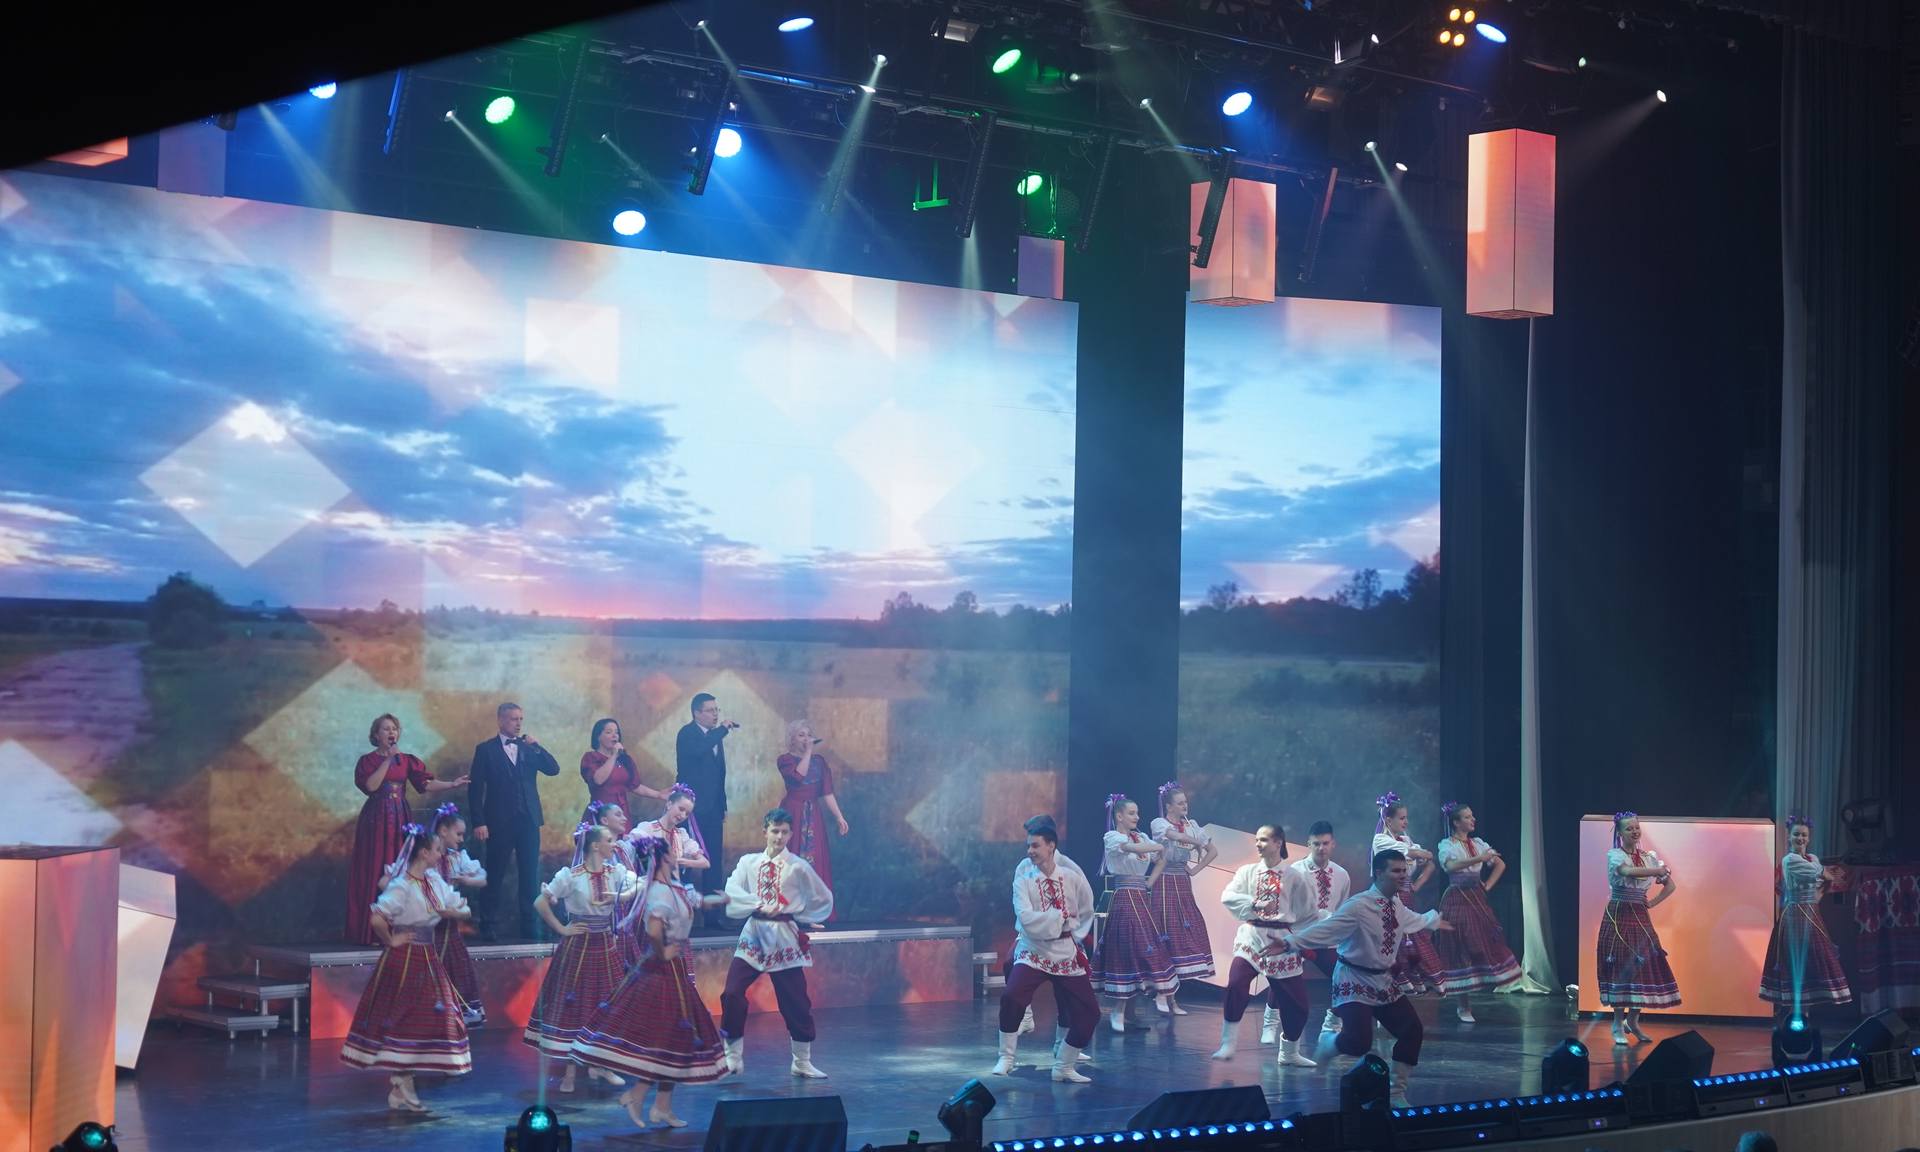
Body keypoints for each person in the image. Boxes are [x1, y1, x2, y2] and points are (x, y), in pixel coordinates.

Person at [572, 834, 730, 1129]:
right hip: (661, 971)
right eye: (673, 852)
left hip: (675, 969)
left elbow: (697, 901)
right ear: (665, 857)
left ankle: (659, 1105)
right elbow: (655, 931)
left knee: (676, 1037)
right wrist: (664, 951)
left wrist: (720, 900)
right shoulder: (658, 892)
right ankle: (640, 1096)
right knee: (668, 1036)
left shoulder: (675, 888)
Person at [1279, 849, 1454, 1108]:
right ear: (1379, 872)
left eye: (1404, 871)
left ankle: (1396, 1092)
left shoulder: (1396, 905)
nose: (1402, 876)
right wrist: (1290, 942)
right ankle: (1329, 1044)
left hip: (1382, 981)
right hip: (1354, 979)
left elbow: (1413, 919)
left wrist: (1433, 920)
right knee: (1359, 1042)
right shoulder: (1359, 906)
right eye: (1396, 871)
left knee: (1411, 1031)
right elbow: (1327, 929)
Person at [340, 825, 473, 1111]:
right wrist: (392, 940)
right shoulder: (402, 885)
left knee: (436, 1014)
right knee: (406, 1015)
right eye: (436, 850)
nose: (440, 854)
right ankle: (403, 1081)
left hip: (428, 956)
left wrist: (452, 912)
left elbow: (464, 908)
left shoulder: (434, 881)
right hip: (405, 958)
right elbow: (377, 917)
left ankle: (402, 1082)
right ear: (424, 853)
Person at [719, 808, 835, 1077]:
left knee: (795, 1000)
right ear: (765, 831)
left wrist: (802, 916)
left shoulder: (798, 866)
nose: (779, 837)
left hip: (783, 936)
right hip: (754, 933)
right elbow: (731, 889)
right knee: (732, 992)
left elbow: (822, 897)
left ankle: (801, 1061)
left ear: (791, 834)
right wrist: (757, 903)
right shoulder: (748, 863)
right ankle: (732, 1056)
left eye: (784, 832)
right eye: (775, 831)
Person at [525, 824, 641, 1093]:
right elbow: (540, 902)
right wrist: (562, 928)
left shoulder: (615, 872)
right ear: (595, 846)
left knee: (605, 1001)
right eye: (609, 840)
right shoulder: (572, 875)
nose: (614, 844)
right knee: (575, 1003)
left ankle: (600, 1064)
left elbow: (640, 883)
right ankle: (570, 1070)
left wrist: (622, 896)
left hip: (605, 944)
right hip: (578, 946)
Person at [991, 814, 1100, 1082]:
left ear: (1051, 844)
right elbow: (1025, 917)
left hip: (1064, 952)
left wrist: (1073, 933)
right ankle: (1007, 1055)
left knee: (1087, 1011)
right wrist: (1057, 920)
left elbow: (1086, 907)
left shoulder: (1071, 874)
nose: (1029, 850)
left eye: (1035, 845)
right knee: (1012, 993)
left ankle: (1064, 1063)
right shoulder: (1024, 874)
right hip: (1033, 948)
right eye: (1028, 844)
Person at [346, 713, 466, 944]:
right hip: (376, 819)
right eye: (386, 729)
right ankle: (372, 930)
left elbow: (425, 784)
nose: (391, 732)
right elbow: (371, 786)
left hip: (400, 817)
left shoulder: (407, 760)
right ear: (376, 735)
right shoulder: (368, 761)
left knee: (399, 867)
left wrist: (451, 784)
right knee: (375, 868)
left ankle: (398, 928)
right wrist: (387, 760)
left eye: (394, 729)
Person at [1211, 823, 1317, 1069]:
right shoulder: (1247, 871)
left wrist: (1298, 942)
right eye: (1257, 839)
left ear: (1278, 843)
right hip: (1252, 935)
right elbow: (1228, 896)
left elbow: (1308, 912)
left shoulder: (1294, 877)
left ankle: (1289, 1052)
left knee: (1297, 1005)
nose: (1258, 844)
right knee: (1236, 983)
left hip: (1281, 940)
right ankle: (1228, 1043)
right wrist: (1254, 903)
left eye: (1264, 840)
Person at [468, 702, 561, 940]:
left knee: (529, 875)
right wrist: (479, 821)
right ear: (501, 720)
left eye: (520, 719)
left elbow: (553, 769)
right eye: (513, 719)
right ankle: (487, 925)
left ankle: (530, 927)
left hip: (528, 820)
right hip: (498, 821)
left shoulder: (529, 748)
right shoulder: (485, 750)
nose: (518, 723)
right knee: (494, 873)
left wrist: (537, 746)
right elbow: (475, 789)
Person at [1430, 802, 1521, 1022]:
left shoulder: (1478, 844)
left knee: (1480, 943)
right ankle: (1463, 1005)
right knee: (1460, 946)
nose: (1473, 820)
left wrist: (1487, 886)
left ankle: (1478, 987)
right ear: (1456, 822)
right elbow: (1450, 866)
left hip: (1477, 897)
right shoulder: (1447, 845)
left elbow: (1500, 864)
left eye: (1472, 816)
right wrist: (1479, 859)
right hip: (1457, 897)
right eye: (1467, 817)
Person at [1597, 811, 1681, 1044]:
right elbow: (1626, 871)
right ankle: (1617, 1023)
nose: (1634, 831)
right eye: (1629, 828)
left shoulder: (1649, 857)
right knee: (1621, 965)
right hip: (1619, 914)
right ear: (1620, 833)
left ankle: (1632, 1021)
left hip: (1640, 916)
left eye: (1636, 827)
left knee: (1643, 964)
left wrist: (1651, 903)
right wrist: (1657, 871)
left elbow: (1670, 886)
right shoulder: (1615, 855)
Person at [1094, 794, 1175, 1032]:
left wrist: (1149, 882)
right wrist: (1157, 846)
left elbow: (1162, 858)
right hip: (1124, 898)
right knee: (1128, 949)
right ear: (1119, 816)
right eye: (1131, 813)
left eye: (1137, 813)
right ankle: (1118, 1010)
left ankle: (1130, 1012)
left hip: (1140, 897)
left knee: (1144, 949)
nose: (1137, 817)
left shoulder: (1142, 837)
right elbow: (1130, 847)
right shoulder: (1112, 837)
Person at [1759, 816, 1851, 1018]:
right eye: (1796, 834)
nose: (1800, 838)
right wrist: (1824, 872)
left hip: (1811, 911)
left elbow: (1824, 880)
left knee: (1812, 957)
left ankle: (1804, 1013)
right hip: (1795, 915)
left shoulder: (1813, 858)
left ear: (1809, 838)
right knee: (1795, 959)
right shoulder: (1790, 860)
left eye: (1804, 835)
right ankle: (1793, 1012)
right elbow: (1818, 873)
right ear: (1789, 837)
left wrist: (1820, 889)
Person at [1148, 781, 1218, 1014]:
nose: (1184, 806)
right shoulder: (1159, 823)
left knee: (1182, 933)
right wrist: (1195, 842)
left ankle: (1172, 999)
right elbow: (1171, 834)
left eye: (1185, 802)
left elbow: (1213, 851)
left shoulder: (1192, 825)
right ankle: (1161, 992)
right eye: (1179, 803)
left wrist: (1195, 869)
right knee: (1165, 932)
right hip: (1164, 881)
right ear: (1169, 806)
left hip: (1182, 882)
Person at [1372, 792, 1444, 996]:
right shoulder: (1380, 840)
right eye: (1402, 818)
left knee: (1409, 935)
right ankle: (1399, 980)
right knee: (1396, 936)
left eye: (1406, 818)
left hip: (1405, 894)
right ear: (1389, 820)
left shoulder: (1405, 839)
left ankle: (1413, 979)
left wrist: (1416, 884)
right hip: (1388, 894)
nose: (1406, 822)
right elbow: (1414, 853)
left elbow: (1428, 859)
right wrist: (1418, 853)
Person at [777, 719, 850, 910]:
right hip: (792, 813)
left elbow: (827, 792)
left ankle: (813, 911)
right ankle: (790, 909)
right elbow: (798, 777)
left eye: (809, 735)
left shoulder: (820, 762)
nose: (806, 739)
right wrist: (808, 752)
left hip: (813, 815)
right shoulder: (785, 760)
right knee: (791, 859)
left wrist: (839, 817)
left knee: (815, 858)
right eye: (801, 735)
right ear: (792, 739)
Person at [1289, 820, 1351, 1036]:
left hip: (1327, 940)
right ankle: (1274, 1017)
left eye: (1325, 843)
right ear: (1309, 844)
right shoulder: (1295, 872)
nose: (1321, 848)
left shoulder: (1341, 874)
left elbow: (1342, 911)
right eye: (1316, 844)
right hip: (1299, 936)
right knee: (1283, 976)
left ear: (1333, 844)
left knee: (1346, 978)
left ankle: (1333, 1020)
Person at [428, 803, 488, 1025]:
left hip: (449, 924)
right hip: (428, 924)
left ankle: (457, 1012)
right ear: (443, 831)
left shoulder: (456, 857)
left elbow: (482, 878)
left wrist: (466, 880)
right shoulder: (425, 857)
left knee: (455, 964)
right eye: (458, 834)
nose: (462, 839)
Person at [676, 693, 737, 914]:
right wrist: (722, 730)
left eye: (716, 710)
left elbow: (719, 775)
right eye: (710, 710)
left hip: (713, 809)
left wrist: (723, 805)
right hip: (690, 809)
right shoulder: (687, 734)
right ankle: (683, 912)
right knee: (687, 858)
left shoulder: (714, 737)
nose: (715, 715)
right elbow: (699, 750)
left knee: (713, 860)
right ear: (697, 713)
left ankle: (714, 915)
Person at [581, 718, 667, 825]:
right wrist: (614, 755)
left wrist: (658, 794)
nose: (614, 735)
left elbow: (634, 786)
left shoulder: (624, 759)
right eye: (609, 732)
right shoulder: (591, 757)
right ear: (598, 737)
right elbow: (598, 780)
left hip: (621, 811)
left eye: (616, 732)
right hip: (601, 812)